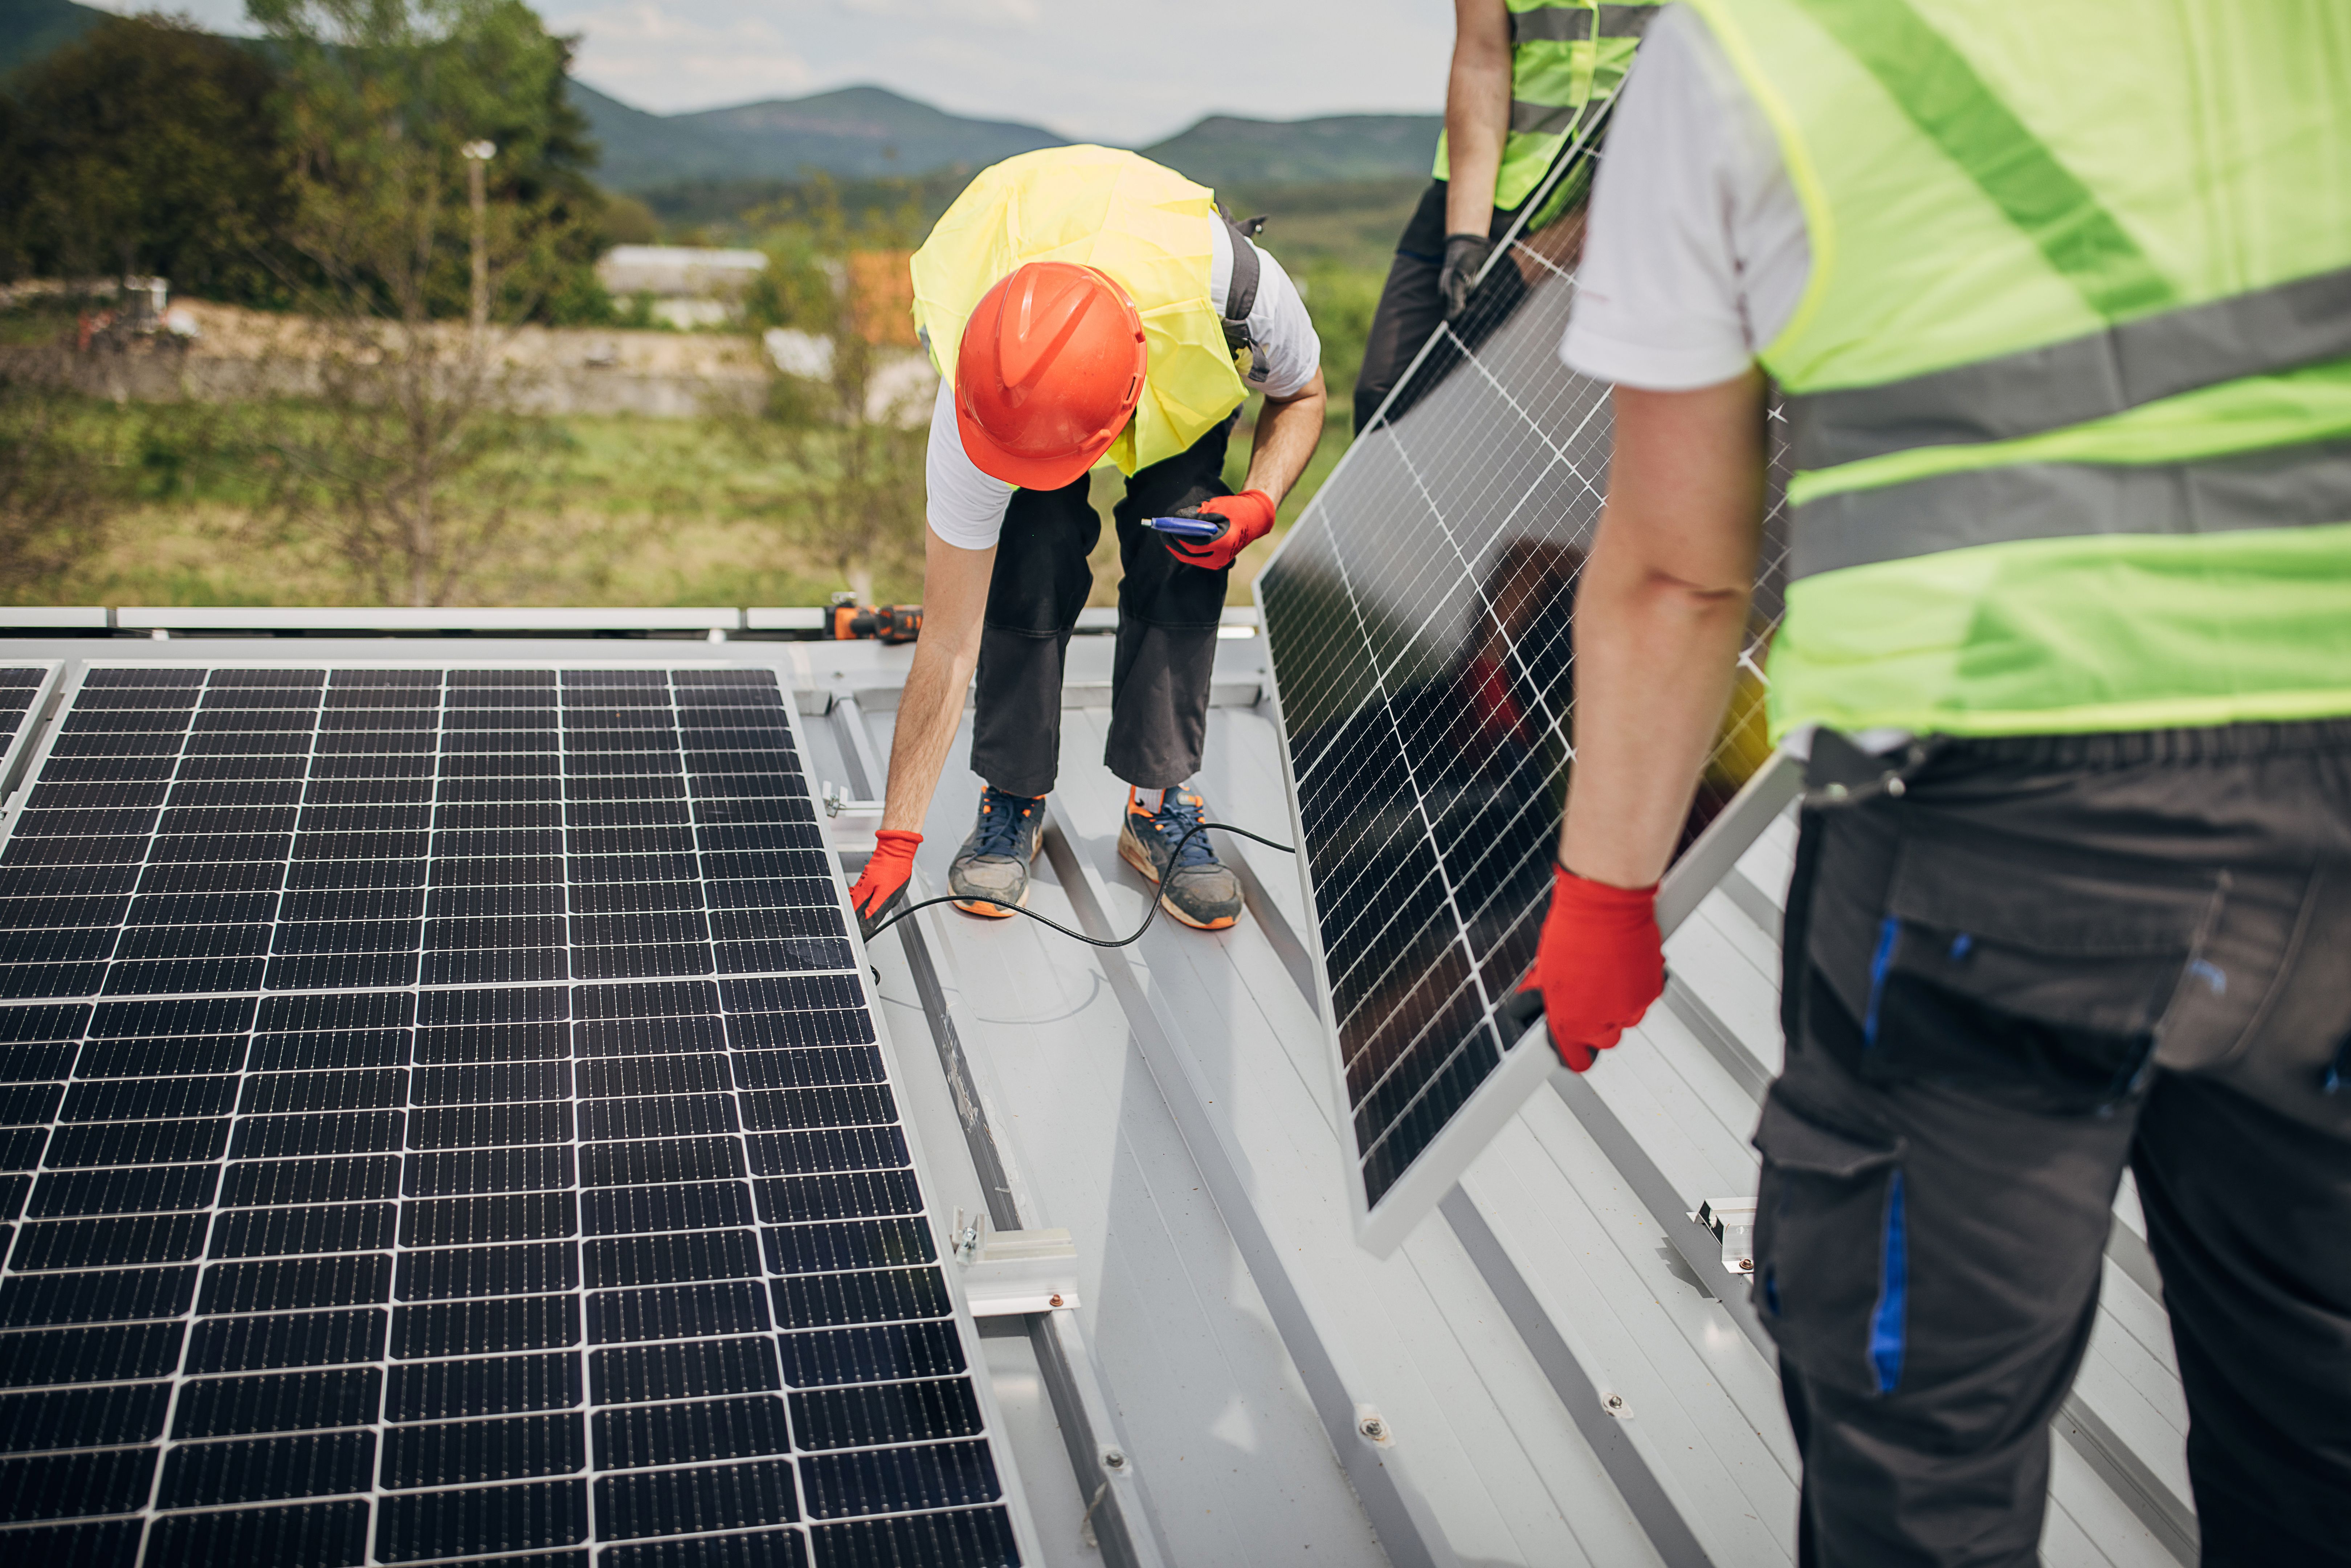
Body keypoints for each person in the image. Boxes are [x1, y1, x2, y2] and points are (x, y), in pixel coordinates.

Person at [1522, 3, 2351, 1564]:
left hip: (1984, 845)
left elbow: (1679, 577)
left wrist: (1605, 891)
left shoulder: (1744, 43)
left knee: (1924, 1464)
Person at [846, 145, 1326, 939]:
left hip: (1173, 357)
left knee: (1185, 531)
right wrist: (899, 837)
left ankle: (1158, 804)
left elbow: (1302, 395)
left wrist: (1258, 502)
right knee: (1030, 547)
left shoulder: (1233, 287)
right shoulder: (980, 388)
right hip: (1034, 369)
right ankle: (1012, 795)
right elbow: (949, 639)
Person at [1352, 0, 1657, 436]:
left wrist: (1526, 265)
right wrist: (1466, 236)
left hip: (1630, 200)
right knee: (1386, 396)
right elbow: (1481, 57)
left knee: (1555, 425)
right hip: (1486, 183)